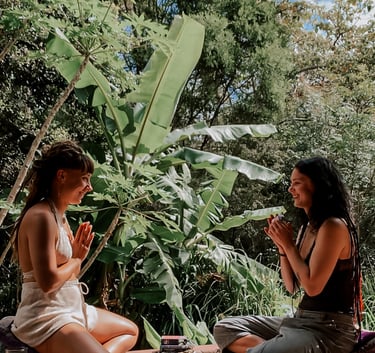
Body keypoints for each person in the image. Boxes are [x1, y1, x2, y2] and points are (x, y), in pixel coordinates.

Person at [213, 156, 362, 353]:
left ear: (319, 186)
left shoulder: (334, 226)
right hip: (300, 321)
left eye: (297, 184)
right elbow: (291, 286)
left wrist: (289, 245)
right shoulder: (307, 227)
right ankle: (271, 348)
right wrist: (283, 248)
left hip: (329, 330)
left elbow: (312, 287)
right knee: (225, 328)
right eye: (291, 184)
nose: (291, 189)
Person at [11, 140, 139, 353]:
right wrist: (77, 258)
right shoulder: (41, 217)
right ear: (61, 176)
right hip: (47, 317)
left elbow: (70, 272)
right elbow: (48, 282)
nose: (89, 187)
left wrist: (76, 260)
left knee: (130, 331)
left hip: (73, 310)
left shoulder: (60, 216)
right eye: (84, 179)